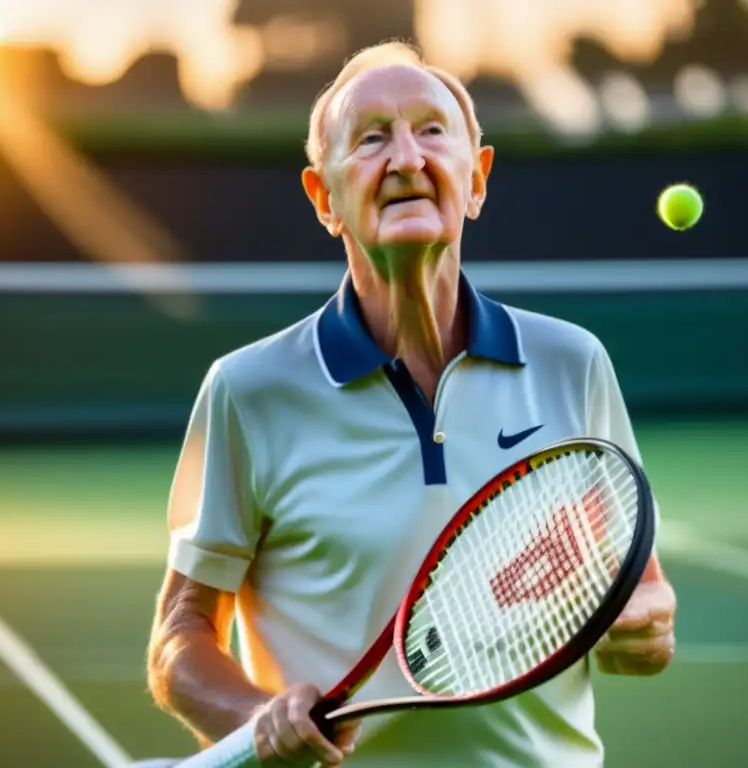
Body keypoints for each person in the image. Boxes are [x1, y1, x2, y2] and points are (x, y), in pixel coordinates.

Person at [141, 40, 677, 768]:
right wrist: (258, 715)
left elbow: (637, 584)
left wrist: (645, 625)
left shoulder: (573, 363)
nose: (405, 159)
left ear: (477, 179)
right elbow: (181, 634)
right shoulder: (247, 391)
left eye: (431, 131)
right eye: (370, 139)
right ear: (323, 198)